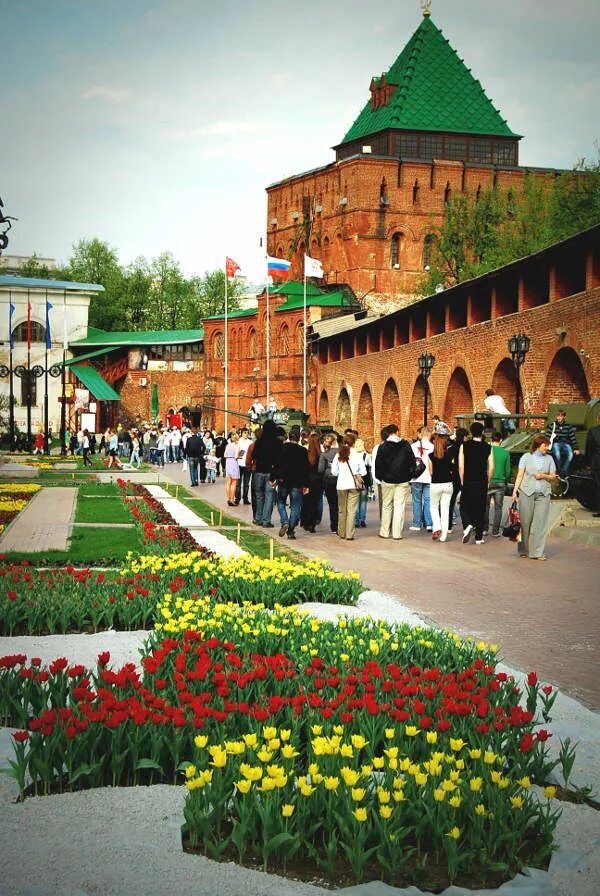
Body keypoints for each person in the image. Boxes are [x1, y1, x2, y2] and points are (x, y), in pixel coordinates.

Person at [512, 434, 557, 560]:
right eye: (545, 445)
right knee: (525, 522)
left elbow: (553, 476)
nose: (547, 448)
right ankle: (523, 550)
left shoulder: (550, 459)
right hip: (526, 493)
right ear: (538, 445)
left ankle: (537, 552)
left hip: (543, 494)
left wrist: (543, 476)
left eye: (547, 446)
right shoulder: (526, 457)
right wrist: (515, 491)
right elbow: (520, 475)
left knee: (541, 523)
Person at [375, 424, 415, 540]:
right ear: (397, 432)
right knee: (399, 506)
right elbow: (412, 462)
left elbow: (379, 464)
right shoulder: (406, 444)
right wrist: (410, 475)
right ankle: (397, 533)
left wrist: (380, 477)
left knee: (386, 505)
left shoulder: (382, 447)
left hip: (387, 480)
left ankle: (384, 531)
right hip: (403, 480)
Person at [459, 422, 494, 545]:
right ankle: (479, 537)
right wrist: (488, 480)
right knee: (480, 508)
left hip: (468, 479)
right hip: (482, 480)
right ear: (482, 432)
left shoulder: (464, 446)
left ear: (471, 432)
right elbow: (491, 467)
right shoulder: (488, 447)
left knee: (464, 505)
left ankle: (468, 524)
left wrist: (462, 480)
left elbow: (461, 466)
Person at [275, 426, 311, 539]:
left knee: (280, 502)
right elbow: (306, 469)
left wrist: (274, 478)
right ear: (299, 438)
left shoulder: (282, 448)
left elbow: (277, 464)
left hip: (283, 480)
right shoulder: (303, 451)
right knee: (295, 506)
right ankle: (290, 530)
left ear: (289, 437)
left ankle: (285, 521)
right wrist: (307, 484)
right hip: (297, 482)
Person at [331, 432, 366, 541]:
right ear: (354, 443)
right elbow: (364, 472)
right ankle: (350, 534)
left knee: (342, 510)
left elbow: (334, 472)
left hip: (341, 484)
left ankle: (341, 532)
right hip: (354, 484)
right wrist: (357, 473)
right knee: (352, 510)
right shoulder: (357, 454)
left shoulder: (338, 454)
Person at [252, 419, 283, 527]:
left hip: (259, 471)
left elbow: (254, 455)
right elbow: (279, 459)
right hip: (271, 472)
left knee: (259, 496)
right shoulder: (278, 442)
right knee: (269, 496)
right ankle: (266, 520)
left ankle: (258, 518)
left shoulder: (259, 441)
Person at [428, 432, 454, 542]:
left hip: (436, 484)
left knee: (434, 507)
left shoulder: (430, 456)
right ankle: (443, 536)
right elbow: (453, 468)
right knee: (445, 510)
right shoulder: (449, 455)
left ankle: (437, 527)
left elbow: (430, 472)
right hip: (448, 484)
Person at [486, 431, 511, 537]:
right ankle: (495, 531)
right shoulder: (505, 453)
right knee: (498, 508)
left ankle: (484, 529)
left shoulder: (487, 450)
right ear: (501, 440)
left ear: (491, 440)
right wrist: (506, 479)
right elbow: (508, 470)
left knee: (485, 506)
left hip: (488, 481)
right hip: (500, 482)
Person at [410, 426, 434, 532]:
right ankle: (429, 523)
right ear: (430, 435)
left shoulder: (413, 446)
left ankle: (416, 524)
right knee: (428, 501)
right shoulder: (433, 447)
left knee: (417, 501)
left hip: (416, 477)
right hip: (429, 476)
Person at [545, 409, 580, 479]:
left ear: (564, 417)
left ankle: (563, 471)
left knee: (570, 454)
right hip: (556, 443)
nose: (559, 418)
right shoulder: (552, 425)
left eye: (560, 416)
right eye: (557, 416)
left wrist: (576, 448)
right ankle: (562, 471)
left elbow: (572, 437)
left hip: (566, 443)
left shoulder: (568, 426)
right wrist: (545, 447)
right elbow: (547, 436)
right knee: (557, 453)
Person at [302, 432, 323, 533]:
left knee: (306, 502)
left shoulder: (306, 453)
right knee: (315, 502)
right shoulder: (320, 455)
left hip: (307, 480)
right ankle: (313, 524)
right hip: (317, 481)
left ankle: (306, 522)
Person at [318, 432, 339, 533]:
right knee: (341, 504)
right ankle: (342, 524)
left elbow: (320, 469)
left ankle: (334, 526)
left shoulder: (324, 454)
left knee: (333, 504)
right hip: (340, 479)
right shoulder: (341, 452)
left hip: (328, 479)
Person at [585, 411, 600, 518]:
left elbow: (589, 448)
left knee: (598, 486)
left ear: (598, 419)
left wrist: (588, 462)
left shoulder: (593, 431)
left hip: (597, 462)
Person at [354, 438, 372, 528]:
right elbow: (370, 466)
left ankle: (356, 520)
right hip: (365, 479)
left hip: (355, 479)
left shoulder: (353, 455)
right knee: (363, 501)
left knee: (356, 501)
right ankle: (362, 519)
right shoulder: (366, 455)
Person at [235, 428, 253, 505]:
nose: (246, 434)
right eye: (244, 433)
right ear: (241, 433)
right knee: (238, 484)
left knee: (246, 484)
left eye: (247, 433)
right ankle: (237, 498)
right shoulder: (238, 441)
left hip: (247, 465)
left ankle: (245, 498)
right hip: (239, 464)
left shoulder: (250, 442)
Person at [224, 433, 241, 505]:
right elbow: (236, 456)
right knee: (234, 483)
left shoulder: (228, 445)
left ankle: (228, 499)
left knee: (228, 483)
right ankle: (232, 499)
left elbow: (225, 455)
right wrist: (240, 456)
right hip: (234, 462)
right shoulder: (237, 446)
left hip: (228, 462)